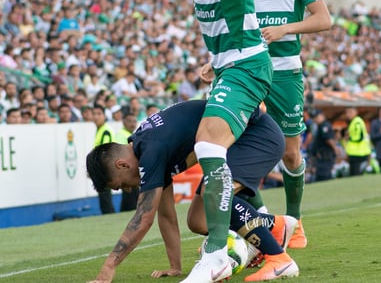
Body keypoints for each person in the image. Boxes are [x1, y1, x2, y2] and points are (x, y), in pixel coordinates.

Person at [123, 0, 273, 281]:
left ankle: (216, 253)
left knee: (208, 145)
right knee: (213, 151)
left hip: (247, 65)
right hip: (228, 65)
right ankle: (270, 232)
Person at [200, 0, 332, 248]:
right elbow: (232, 21)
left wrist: (285, 28)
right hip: (244, 70)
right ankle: (260, 225)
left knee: (290, 154)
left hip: (284, 73)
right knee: (236, 152)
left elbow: (324, 20)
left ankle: (295, 221)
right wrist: (214, 60)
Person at [86, 100, 299, 283]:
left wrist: (108, 268)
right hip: (243, 139)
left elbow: (143, 218)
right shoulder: (147, 148)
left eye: (121, 185)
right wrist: (175, 266)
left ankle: (279, 259)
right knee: (198, 220)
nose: (129, 189)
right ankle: (276, 225)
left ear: (122, 165)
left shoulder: (150, 151)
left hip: (257, 137)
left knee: (214, 196)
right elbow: (166, 215)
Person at [92, 104, 115, 214]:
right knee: (104, 196)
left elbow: (105, 151)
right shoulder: (100, 129)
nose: (96, 117)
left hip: (104, 169)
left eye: (99, 114)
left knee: (105, 197)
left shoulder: (105, 130)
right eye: (94, 114)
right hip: (102, 168)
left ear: (104, 116)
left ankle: (109, 215)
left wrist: (97, 168)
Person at [114, 111, 140, 211]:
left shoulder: (130, 134)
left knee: (129, 197)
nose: (133, 123)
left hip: (130, 170)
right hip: (128, 171)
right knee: (132, 196)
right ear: (124, 122)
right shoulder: (122, 135)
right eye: (130, 121)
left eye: (134, 121)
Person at [309, 109, 338, 181]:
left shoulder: (324, 125)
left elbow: (328, 139)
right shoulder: (320, 126)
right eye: (314, 118)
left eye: (316, 117)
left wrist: (335, 148)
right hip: (322, 156)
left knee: (324, 176)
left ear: (322, 115)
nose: (315, 119)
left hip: (325, 156)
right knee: (321, 176)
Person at [343, 107, 371, 176]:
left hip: (358, 152)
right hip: (355, 152)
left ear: (356, 112)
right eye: (347, 112)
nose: (348, 114)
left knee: (356, 175)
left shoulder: (357, 121)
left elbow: (360, 136)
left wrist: (349, 138)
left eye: (350, 112)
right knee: (353, 174)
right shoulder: (352, 122)